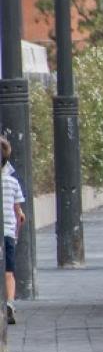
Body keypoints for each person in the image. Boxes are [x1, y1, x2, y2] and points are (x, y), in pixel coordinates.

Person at [1, 136, 26, 326]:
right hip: (8, 233)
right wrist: (19, 221)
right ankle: (9, 302)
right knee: (9, 272)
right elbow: (19, 212)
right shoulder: (12, 182)